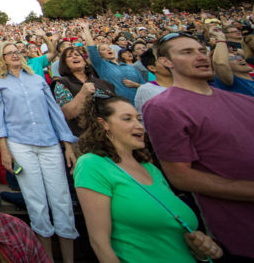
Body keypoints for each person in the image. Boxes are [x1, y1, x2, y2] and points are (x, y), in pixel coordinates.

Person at [142, 32, 254, 259]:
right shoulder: (163, 107)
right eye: (187, 52)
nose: (201, 56)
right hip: (241, 233)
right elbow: (181, 176)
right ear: (165, 62)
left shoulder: (246, 101)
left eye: (202, 51)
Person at [74, 93, 222, 262]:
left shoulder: (151, 169)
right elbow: (100, 244)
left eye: (139, 119)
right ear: (104, 124)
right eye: (127, 119)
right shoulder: (92, 165)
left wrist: (201, 252)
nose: (139, 126)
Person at [0, 41, 78, 263]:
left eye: (16, 52)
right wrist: (4, 148)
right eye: (8, 53)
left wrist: (67, 144)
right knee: (36, 201)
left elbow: (54, 112)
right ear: (2, 58)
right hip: (20, 142)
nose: (14, 55)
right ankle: (45, 258)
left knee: (61, 200)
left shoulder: (38, 80)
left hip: (49, 142)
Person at [52, 46, 115, 137]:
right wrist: (83, 94)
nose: (75, 57)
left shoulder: (103, 83)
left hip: (112, 133)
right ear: (64, 64)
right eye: (69, 56)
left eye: (77, 55)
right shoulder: (62, 83)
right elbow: (67, 114)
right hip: (85, 136)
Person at [77, 21, 140, 101]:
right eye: (103, 49)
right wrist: (86, 29)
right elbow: (92, 49)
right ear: (100, 55)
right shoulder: (101, 65)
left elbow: (145, 86)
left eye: (109, 48)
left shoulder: (129, 67)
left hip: (141, 104)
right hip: (119, 105)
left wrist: (136, 85)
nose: (108, 50)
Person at [132, 48, 172, 112]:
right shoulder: (147, 90)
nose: (170, 63)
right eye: (164, 61)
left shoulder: (186, 84)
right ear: (152, 68)